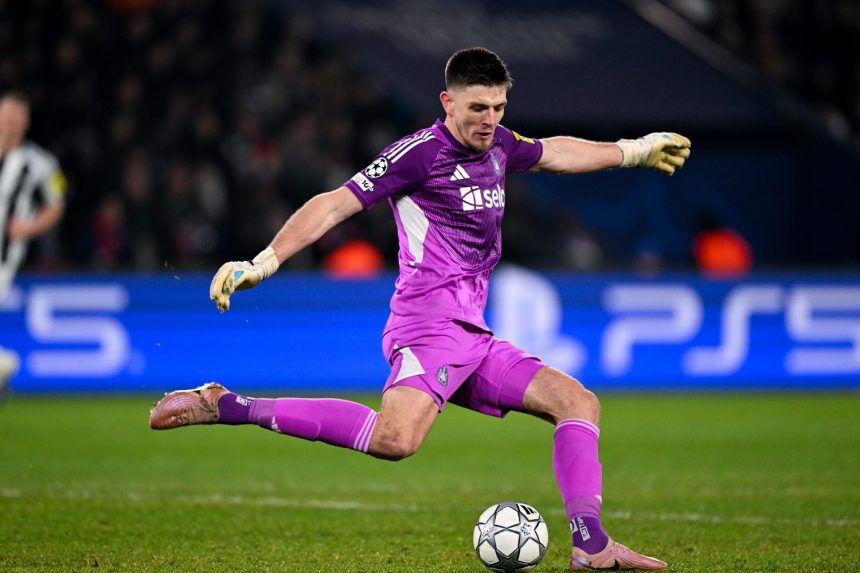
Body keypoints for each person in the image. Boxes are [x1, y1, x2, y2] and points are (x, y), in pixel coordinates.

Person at [150, 47, 691, 570]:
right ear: (447, 102)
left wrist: (634, 150)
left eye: (498, 107)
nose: (489, 120)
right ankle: (228, 405)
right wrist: (264, 260)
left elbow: (555, 152)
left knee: (577, 401)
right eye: (478, 108)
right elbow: (336, 202)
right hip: (428, 324)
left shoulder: (500, 145)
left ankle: (590, 547)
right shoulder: (419, 155)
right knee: (395, 440)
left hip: (473, 333)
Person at [0, 92, 67, 398]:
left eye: (17, 115)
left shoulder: (41, 162)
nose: (11, 120)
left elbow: (56, 203)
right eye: (6, 113)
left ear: (26, 122)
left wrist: (28, 229)